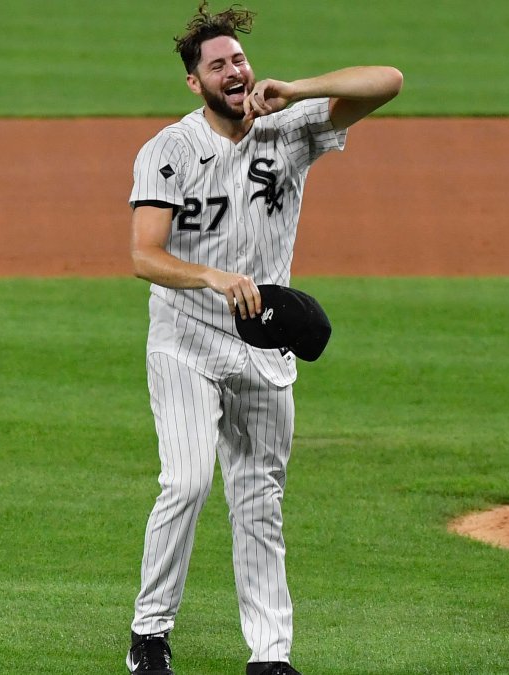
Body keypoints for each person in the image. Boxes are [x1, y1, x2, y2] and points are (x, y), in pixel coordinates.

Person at [125, 3, 402, 674]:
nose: (233, 70)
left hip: (262, 343)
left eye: (238, 60)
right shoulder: (169, 150)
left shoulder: (290, 129)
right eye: (217, 64)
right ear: (195, 82)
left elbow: (388, 80)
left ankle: (270, 655)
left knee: (259, 499)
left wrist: (297, 90)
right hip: (186, 340)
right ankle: (149, 633)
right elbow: (145, 255)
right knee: (187, 481)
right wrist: (214, 278)